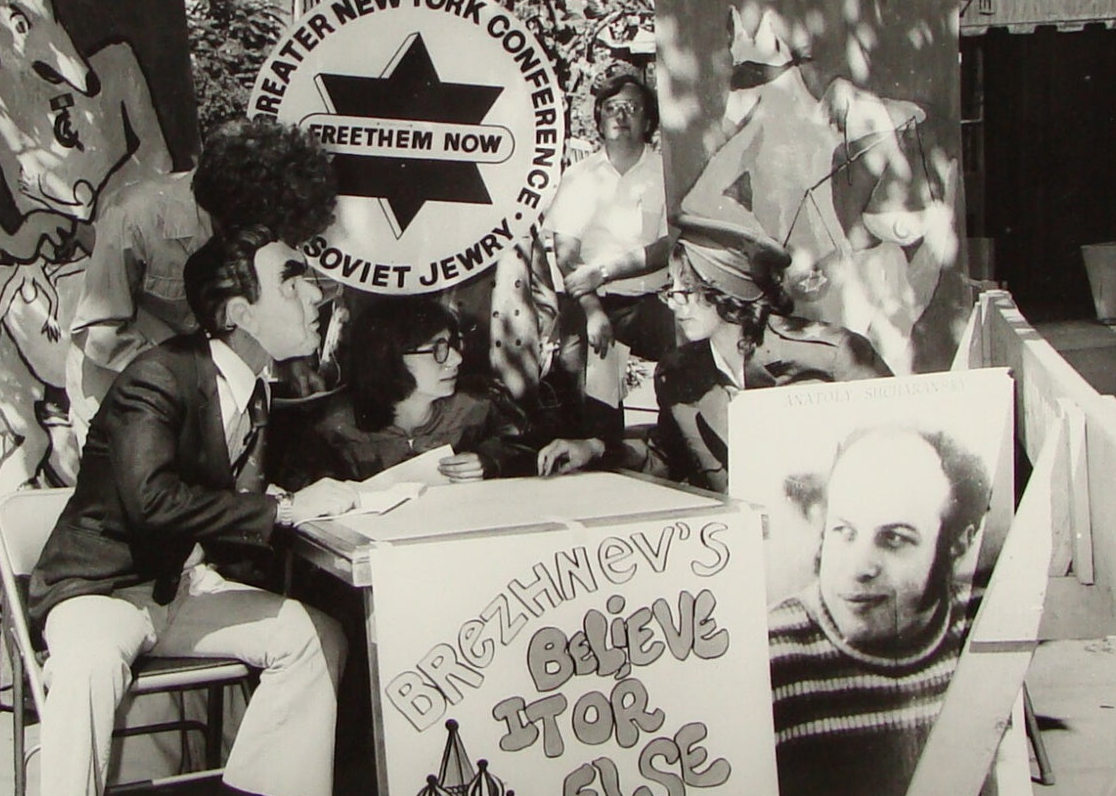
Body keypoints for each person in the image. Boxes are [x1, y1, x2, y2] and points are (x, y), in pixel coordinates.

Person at [28, 225, 359, 796]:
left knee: (313, 637)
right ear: (237, 313)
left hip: (178, 586)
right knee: (87, 663)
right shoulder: (158, 376)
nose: (313, 294)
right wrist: (281, 510)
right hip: (102, 585)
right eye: (291, 280)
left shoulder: (257, 385)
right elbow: (150, 500)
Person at [539, 215, 890, 490]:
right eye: (671, 290)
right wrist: (595, 449)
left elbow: (894, 455)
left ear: (726, 291)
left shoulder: (835, 356)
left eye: (688, 291)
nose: (676, 305)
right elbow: (664, 457)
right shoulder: (678, 375)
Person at [766, 425, 991, 796]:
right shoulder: (770, 652)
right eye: (844, 532)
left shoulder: (986, 622)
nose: (859, 568)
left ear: (958, 542)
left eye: (894, 539)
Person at [66, 121, 342, 437]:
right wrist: (195, 379)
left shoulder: (266, 218)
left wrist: (292, 360)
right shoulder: (135, 216)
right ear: (233, 217)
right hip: (119, 395)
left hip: (207, 404)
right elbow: (98, 332)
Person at [545, 68, 677, 440]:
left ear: (648, 121)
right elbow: (566, 253)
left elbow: (667, 247)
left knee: (689, 356)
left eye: (632, 108)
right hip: (588, 303)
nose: (621, 116)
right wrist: (593, 310)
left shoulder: (665, 173)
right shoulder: (579, 176)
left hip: (646, 304)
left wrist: (602, 271)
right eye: (612, 108)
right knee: (585, 404)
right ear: (600, 119)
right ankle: (599, 458)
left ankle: (671, 453)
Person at [292, 297, 535, 486]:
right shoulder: (333, 429)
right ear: (389, 357)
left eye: (452, 345)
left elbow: (526, 450)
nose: (457, 359)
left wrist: (490, 460)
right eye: (437, 349)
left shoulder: (478, 407)